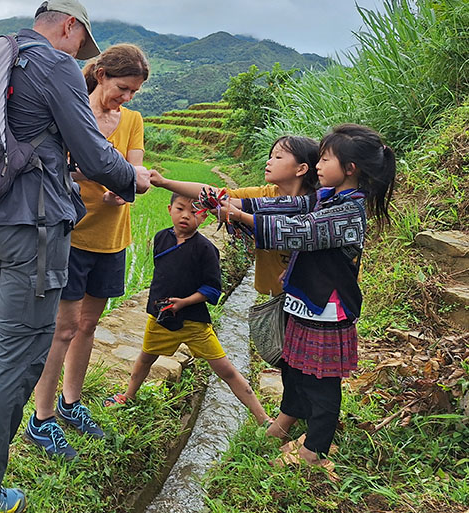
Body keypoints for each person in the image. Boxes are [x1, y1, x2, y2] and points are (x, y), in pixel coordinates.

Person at [0, 0, 153, 513]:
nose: (80, 55)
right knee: (19, 351)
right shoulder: (54, 64)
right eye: (80, 43)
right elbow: (94, 152)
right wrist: (130, 178)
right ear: (69, 26)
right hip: (35, 227)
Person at [218, 124, 396, 476]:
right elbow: (285, 206)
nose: (318, 165)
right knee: (296, 371)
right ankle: (290, 423)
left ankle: (315, 448)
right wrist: (233, 203)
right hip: (306, 300)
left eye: (325, 159)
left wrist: (239, 216)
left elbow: (301, 231)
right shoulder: (327, 197)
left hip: (327, 309)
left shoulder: (349, 212)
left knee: (321, 382)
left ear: (350, 169)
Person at [26, 44, 149, 459]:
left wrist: (124, 188)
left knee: (88, 326)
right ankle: (41, 421)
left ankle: (70, 403)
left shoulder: (132, 121)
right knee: (63, 328)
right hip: (72, 234)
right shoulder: (73, 112)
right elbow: (57, 166)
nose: (127, 97)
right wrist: (105, 173)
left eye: (133, 91)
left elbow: (136, 174)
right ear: (101, 76)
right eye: (122, 87)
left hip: (112, 236)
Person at [103, 193, 272, 430]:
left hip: (194, 323)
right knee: (145, 358)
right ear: (169, 209)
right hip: (162, 318)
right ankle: (128, 395)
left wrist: (184, 302)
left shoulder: (206, 249)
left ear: (203, 216)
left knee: (226, 370)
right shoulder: (161, 238)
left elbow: (212, 290)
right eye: (180, 209)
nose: (186, 216)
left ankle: (263, 418)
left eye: (194, 212)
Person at [149, 135, 320, 295]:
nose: (269, 162)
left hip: (307, 296)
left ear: (301, 169)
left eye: (278, 157)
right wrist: (164, 182)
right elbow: (215, 194)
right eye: (271, 156)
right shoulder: (263, 194)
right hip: (273, 294)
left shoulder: (319, 205)